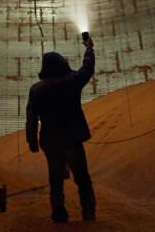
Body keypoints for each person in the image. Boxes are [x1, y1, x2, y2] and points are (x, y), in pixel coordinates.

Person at [26, 36, 96, 223]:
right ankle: (88, 214)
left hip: (51, 144)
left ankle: (59, 215)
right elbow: (87, 69)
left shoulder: (36, 90)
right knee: (83, 179)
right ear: (60, 63)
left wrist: (32, 142)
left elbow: (31, 119)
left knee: (55, 183)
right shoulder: (71, 80)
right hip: (73, 140)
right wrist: (89, 49)